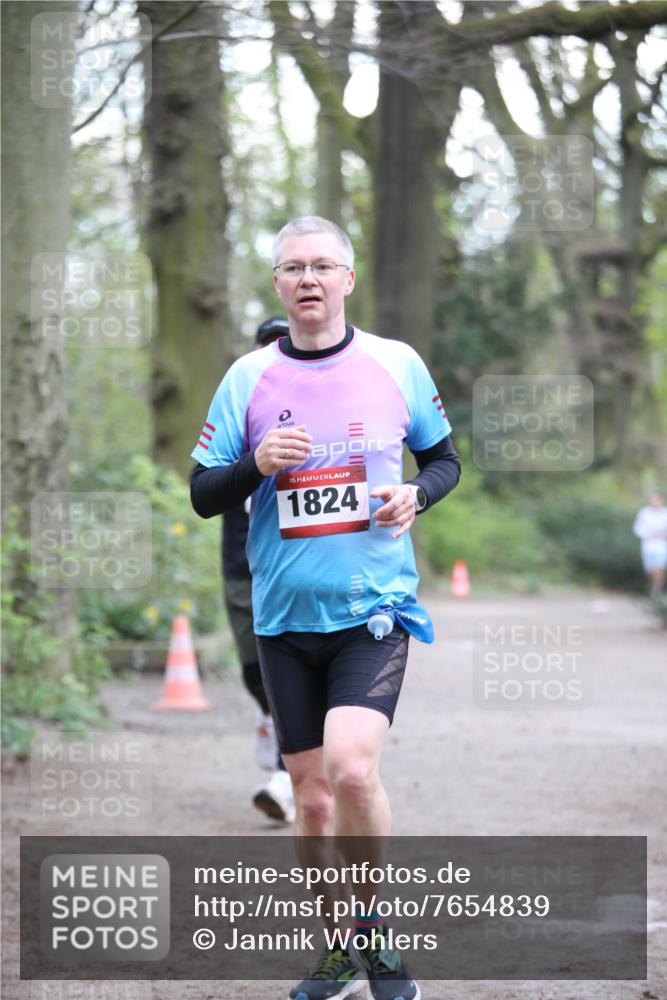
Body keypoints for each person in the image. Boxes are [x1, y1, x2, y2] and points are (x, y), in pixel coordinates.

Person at [190, 216, 461, 1000]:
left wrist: (415, 494)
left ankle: (373, 936)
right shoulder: (247, 378)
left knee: (351, 769)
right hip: (282, 619)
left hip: (372, 610)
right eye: (292, 267)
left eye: (321, 266)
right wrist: (254, 464)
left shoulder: (394, 364)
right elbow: (203, 493)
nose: (307, 279)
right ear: (277, 283)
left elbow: (443, 460)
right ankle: (338, 951)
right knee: (308, 798)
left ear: (347, 277)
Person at [222, 316, 295, 824]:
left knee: (288, 673)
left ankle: (286, 780)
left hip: (295, 565)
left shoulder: (324, 408)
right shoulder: (236, 407)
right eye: (267, 347)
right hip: (241, 560)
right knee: (253, 673)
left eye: (282, 344)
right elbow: (206, 483)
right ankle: (270, 717)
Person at [633, 492, 667, 594]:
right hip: (648, 546)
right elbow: (637, 528)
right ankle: (653, 587)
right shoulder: (644, 513)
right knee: (650, 570)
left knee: (659, 568)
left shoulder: (665, 513)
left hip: (661, 546)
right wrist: (648, 533)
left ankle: (656, 591)